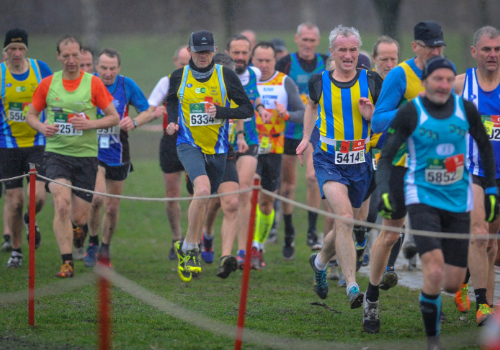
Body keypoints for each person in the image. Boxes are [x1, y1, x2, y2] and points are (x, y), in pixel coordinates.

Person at [376, 55, 498, 349]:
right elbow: (387, 153)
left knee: (452, 283)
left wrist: (491, 189)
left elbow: (484, 145)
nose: (443, 85)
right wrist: (384, 190)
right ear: (426, 82)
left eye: (448, 79)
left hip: (457, 200)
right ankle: (433, 340)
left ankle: (444, 296)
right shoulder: (411, 111)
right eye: (437, 79)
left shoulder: (465, 109)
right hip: (422, 196)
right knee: (432, 269)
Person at [364, 21, 447, 331]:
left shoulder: (444, 70)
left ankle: (433, 305)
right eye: (430, 48)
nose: (436, 52)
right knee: (390, 234)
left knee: (432, 239)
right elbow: (378, 121)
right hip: (400, 164)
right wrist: (414, 106)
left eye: (440, 47)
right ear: (416, 47)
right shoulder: (401, 74)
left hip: (433, 167)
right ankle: (371, 301)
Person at [297, 25, 381, 309]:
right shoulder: (318, 81)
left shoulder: (372, 81)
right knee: (344, 217)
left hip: (361, 161)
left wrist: (373, 117)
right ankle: (352, 285)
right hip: (328, 159)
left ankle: (320, 262)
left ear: (359, 51)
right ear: (331, 52)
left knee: (352, 220)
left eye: (353, 50)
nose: (348, 55)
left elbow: (385, 118)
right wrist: (306, 139)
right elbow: (311, 106)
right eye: (342, 50)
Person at [26, 35, 119, 277]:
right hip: (57, 154)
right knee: (62, 204)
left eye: (75, 55)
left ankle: (79, 233)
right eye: (65, 56)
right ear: (58, 57)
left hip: (86, 156)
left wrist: (90, 124)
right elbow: (31, 114)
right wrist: (41, 127)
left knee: (79, 216)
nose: (71, 60)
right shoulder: (48, 83)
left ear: (81, 55)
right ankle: (67, 262)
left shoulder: (93, 83)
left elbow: (113, 117)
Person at [165, 30, 253, 282]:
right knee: (202, 191)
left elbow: (246, 108)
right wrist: (172, 122)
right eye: (198, 51)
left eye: (207, 51)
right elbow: (171, 101)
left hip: (218, 149)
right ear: (190, 50)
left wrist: (221, 111)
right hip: (188, 144)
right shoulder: (178, 76)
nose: (202, 56)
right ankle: (191, 248)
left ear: (214, 51)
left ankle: (186, 246)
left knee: (206, 198)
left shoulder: (225, 75)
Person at [83, 48, 153, 267]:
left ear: (119, 68)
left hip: (119, 153)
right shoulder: (87, 83)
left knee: (112, 208)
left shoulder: (126, 85)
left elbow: (147, 111)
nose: (108, 72)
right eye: (104, 67)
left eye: (112, 68)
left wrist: (134, 122)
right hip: (92, 152)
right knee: (96, 199)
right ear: (96, 66)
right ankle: (92, 243)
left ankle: (105, 248)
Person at [454, 26, 500, 325]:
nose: (493, 55)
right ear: (474, 52)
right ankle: (484, 306)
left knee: (493, 245)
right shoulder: (460, 84)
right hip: (471, 171)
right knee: (480, 235)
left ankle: (464, 280)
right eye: (486, 49)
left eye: (497, 50)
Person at [0, 28, 52, 267]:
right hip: (7, 145)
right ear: (5, 51)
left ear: (27, 51)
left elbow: (57, 96)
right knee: (15, 199)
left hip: (38, 143)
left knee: (38, 197)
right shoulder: (0, 74)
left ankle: (31, 220)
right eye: (13, 49)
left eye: (21, 49)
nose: (17, 53)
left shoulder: (41, 70)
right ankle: (17, 251)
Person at [250, 41, 304, 268]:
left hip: (273, 150)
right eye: (259, 60)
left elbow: (302, 112)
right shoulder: (244, 80)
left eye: (268, 61)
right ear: (253, 60)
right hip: (248, 150)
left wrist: (288, 114)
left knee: (266, 203)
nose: (263, 65)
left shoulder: (284, 81)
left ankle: (258, 245)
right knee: (244, 200)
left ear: (275, 60)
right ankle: (246, 247)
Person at [276, 22, 328, 257]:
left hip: (317, 130)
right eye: (304, 40)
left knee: (312, 178)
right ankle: (288, 232)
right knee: (287, 186)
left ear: (317, 42)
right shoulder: (285, 63)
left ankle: (312, 230)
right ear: (297, 40)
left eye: (312, 40)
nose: (308, 44)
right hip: (289, 130)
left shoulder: (327, 62)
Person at [224, 34, 271, 268]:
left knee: (244, 194)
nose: (240, 57)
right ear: (228, 52)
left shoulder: (253, 74)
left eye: (245, 53)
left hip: (250, 139)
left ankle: (241, 250)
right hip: (223, 142)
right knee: (220, 201)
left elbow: (254, 97)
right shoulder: (221, 75)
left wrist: (261, 109)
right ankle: (206, 237)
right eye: (236, 52)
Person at [148, 45, 190, 260]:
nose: (185, 67)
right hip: (171, 143)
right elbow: (149, 106)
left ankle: (193, 242)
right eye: (181, 64)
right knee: (172, 195)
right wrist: (155, 111)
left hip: (195, 142)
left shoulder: (201, 82)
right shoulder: (167, 81)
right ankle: (176, 239)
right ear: (175, 62)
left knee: (196, 195)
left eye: (188, 63)